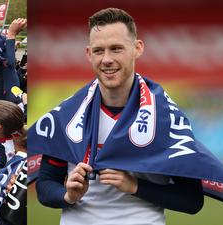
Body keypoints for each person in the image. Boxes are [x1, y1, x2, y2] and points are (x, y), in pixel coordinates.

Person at [30, 8, 205, 225]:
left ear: (137, 49)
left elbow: (192, 200)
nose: (106, 59)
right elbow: (46, 185)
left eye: (116, 49)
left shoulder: (166, 117)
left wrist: (134, 186)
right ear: (88, 54)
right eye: (98, 51)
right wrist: (67, 196)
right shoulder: (67, 116)